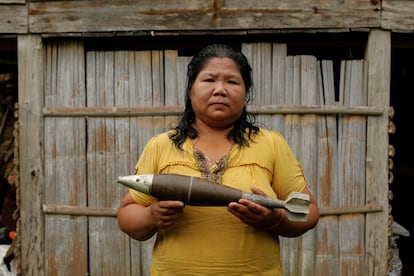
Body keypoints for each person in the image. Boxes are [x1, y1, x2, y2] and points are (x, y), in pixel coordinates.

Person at [117, 44, 319, 275]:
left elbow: (309, 212)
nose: (220, 89)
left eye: (232, 82)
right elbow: (127, 216)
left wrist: (274, 220)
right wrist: (150, 216)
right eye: (209, 80)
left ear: (245, 94)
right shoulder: (162, 145)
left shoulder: (271, 144)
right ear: (190, 90)